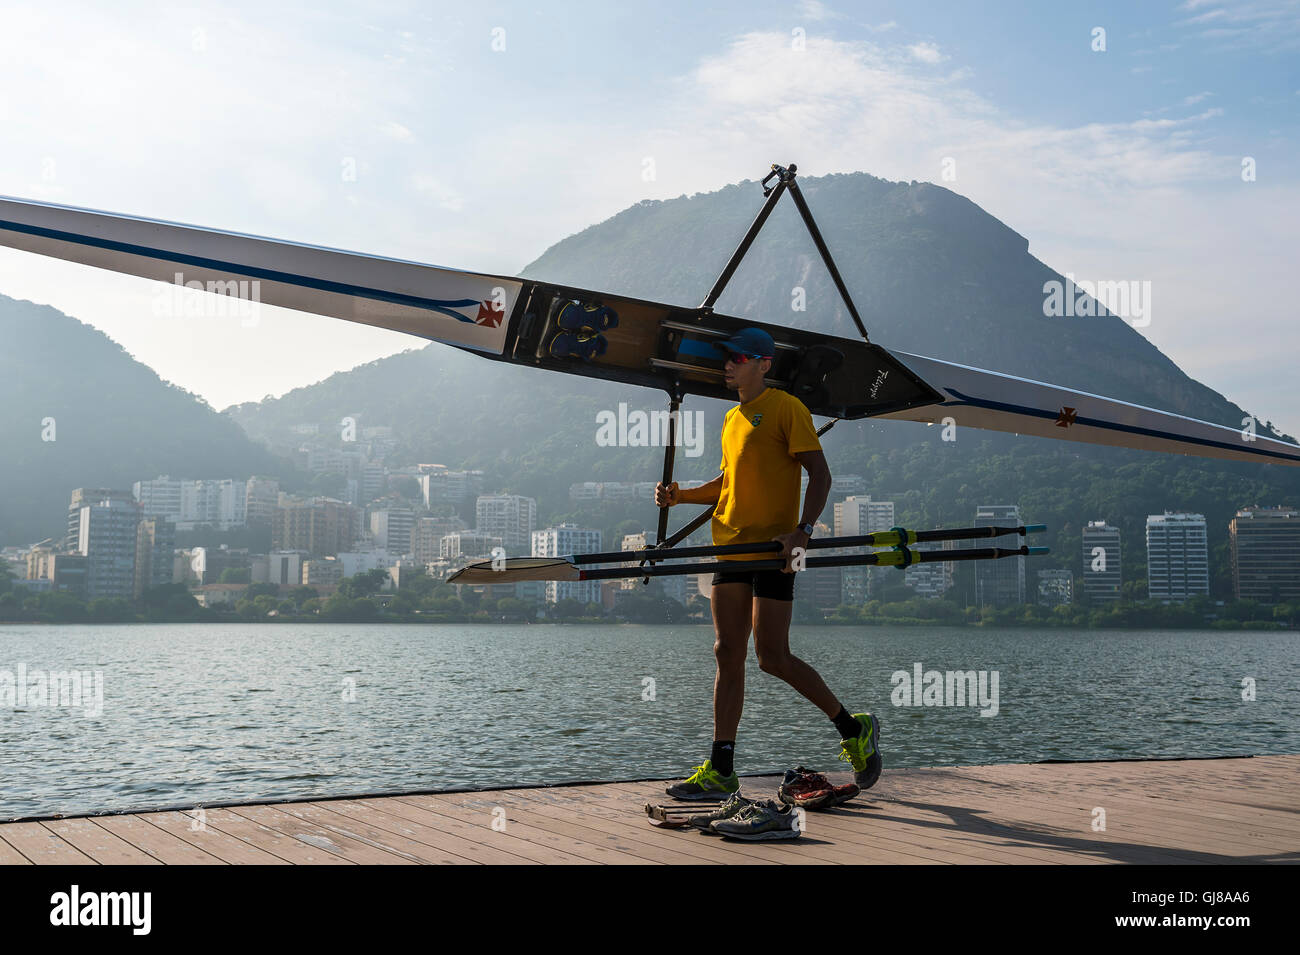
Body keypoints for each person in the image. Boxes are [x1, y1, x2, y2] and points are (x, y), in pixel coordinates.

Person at [655, 327, 881, 802]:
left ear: (764, 364)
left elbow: (820, 473)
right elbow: (727, 483)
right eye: (727, 358)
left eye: (738, 358)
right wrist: (680, 496)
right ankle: (720, 769)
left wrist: (803, 531)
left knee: (772, 657)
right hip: (731, 547)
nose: (728, 364)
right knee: (725, 651)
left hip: (775, 549)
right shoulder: (732, 417)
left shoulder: (786, 408)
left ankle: (852, 726)